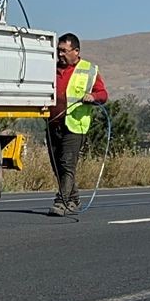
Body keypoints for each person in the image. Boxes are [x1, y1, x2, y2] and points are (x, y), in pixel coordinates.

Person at [48, 33, 108, 216]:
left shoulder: (89, 70)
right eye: (58, 51)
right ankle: (73, 199)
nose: (60, 55)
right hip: (52, 123)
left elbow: (103, 94)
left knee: (67, 163)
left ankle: (61, 202)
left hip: (75, 125)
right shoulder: (51, 68)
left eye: (64, 51)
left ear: (76, 51)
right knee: (57, 165)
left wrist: (93, 97)